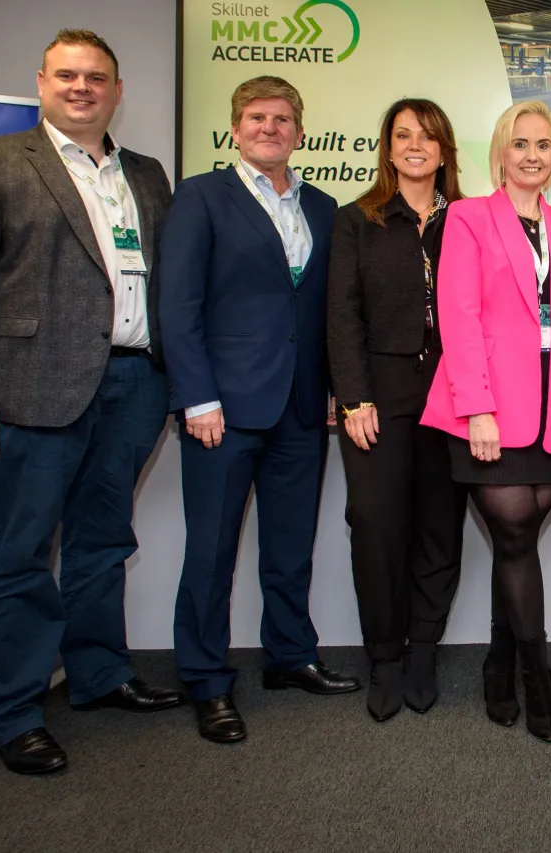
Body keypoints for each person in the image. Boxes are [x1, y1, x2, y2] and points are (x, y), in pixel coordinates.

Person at [0, 29, 184, 776]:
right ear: (42, 82)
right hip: (31, 390)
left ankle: (100, 676)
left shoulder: (147, 173)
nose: (82, 87)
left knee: (104, 545)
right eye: (67, 75)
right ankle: (14, 710)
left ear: (117, 90)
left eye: (96, 77)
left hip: (134, 383)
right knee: (21, 553)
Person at [159, 76, 360, 745]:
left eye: (282, 118)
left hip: (302, 408)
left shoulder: (324, 207)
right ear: (235, 128)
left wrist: (334, 388)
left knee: (289, 548)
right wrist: (197, 395)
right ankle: (207, 679)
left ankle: (290, 655)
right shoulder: (200, 197)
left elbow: (329, 311)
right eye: (256, 117)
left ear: (300, 131)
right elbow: (177, 305)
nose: (269, 127)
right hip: (224, 408)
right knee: (211, 551)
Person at [421, 100, 551, 743]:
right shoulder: (468, 219)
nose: (533, 155)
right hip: (490, 412)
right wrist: (477, 408)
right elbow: (459, 317)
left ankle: (498, 664)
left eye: (545, 146)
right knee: (517, 534)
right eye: (521, 143)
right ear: (501, 150)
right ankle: (538, 680)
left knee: (513, 543)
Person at [326, 99, 469, 722]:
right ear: (387, 148)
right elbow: (341, 315)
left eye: (428, 136)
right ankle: (384, 654)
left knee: (440, 525)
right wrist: (354, 395)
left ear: (444, 150)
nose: (415, 145)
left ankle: (422, 651)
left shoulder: (468, 219)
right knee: (377, 523)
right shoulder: (356, 220)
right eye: (403, 135)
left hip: (454, 394)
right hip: (378, 394)